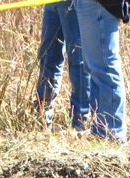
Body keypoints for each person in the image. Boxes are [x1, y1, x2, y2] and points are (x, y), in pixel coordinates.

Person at [74, 0, 130, 142]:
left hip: (99, 4)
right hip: (91, 4)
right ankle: (100, 130)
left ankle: (111, 132)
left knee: (103, 67)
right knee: (95, 67)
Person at [35, 1, 90, 131]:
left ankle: (80, 124)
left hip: (75, 4)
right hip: (51, 3)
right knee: (47, 56)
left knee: (77, 58)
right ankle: (43, 120)